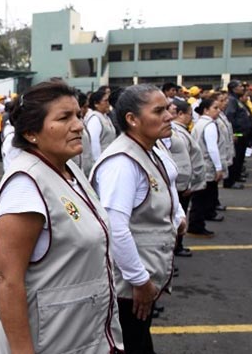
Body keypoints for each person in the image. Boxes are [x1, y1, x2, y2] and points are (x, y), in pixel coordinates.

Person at [0, 81, 123, 354]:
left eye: (78, 115)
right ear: (30, 132)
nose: (78, 125)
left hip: (82, 332)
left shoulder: (69, 170)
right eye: (64, 118)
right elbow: (6, 278)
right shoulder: (26, 184)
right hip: (51, 340)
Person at [91, 84, 186, 354]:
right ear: (132, 119)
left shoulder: (151, 149)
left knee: (141, 341)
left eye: (167, 108)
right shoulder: (122, 163)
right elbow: (116, 228)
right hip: (129, 284)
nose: (169, 115)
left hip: (144, 274)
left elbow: (167, 184)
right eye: (159, 110)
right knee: (131, 343)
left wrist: (177, 215)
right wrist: (140, 280)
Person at [167, 99, 206, 256]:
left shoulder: (180, 131)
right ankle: (175, 248)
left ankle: (177, 246)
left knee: (179, 217)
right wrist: (186, 182)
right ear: (180, 114)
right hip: (180, 183)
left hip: (183, 182)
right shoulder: (175, 133)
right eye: (190, 114)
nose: (191, 117)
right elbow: (179, 160)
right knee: (176, 218)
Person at [188, 98, 225, 237]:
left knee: (200, 196)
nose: (218, 110)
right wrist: (218, 167)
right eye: (215, 107)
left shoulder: (199, 123)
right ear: (206, 110)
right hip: (206, 164)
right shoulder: (209, 125)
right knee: (202, 197)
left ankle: (197, 223)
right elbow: (212, 148)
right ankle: (197, 225)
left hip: (199, 163)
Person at [224, 80, 252, 189]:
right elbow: (230, 116)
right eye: (240, 86)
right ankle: (230, 181)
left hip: (242, 133)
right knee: (235, 158)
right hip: (238, 134)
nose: (242, 88)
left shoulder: (236, 100)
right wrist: (234, 133)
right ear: (234, 88)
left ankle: (236, 177)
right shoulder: (232, 100)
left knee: (240, 157)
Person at [85, 85, 116, 161]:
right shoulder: (95, 119)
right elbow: (94, 142)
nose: (108, 103)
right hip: (102, 159)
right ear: (96, 104)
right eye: (105, 101)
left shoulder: (106, 117)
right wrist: (98, 160)